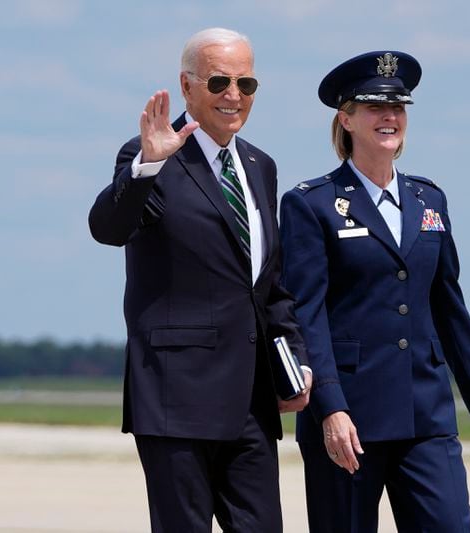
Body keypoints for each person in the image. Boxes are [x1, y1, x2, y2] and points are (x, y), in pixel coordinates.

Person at [279, 51, 470, 532]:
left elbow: (448, 306)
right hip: (350, 417)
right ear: (346, 118)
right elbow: (307, 315)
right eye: (373, 107)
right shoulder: (313, 205)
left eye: (398, 107)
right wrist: (331, 407)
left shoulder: (430, 200)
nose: (389, 117)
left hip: (424, 414)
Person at [88, 27, 311, 533]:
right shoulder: (150, 157)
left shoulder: (260, 166)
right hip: (177, 396)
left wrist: (294, 357)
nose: (234, 96)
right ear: (187, 87)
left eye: (246, 84)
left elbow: (267, 282)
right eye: (219, 82)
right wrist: (147, 165)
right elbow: (107, 228)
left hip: (252, 399)